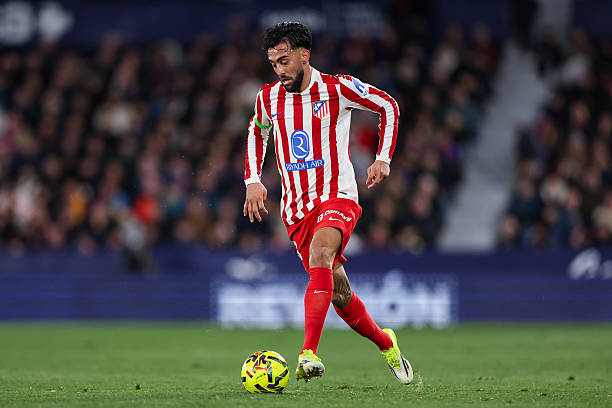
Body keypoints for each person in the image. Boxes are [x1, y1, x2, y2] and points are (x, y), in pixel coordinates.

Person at [243, 22, 413, 385]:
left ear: (304, 56)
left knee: (321, 254)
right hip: (296, 210)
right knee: (339, 293)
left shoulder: (338, 88)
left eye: (285, 61)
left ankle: (308, 353)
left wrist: (383, 157)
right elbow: (258, 131)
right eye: (273, 64)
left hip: (338, 196)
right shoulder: (267, 98)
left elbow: (388, 105)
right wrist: (253, 179)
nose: (279, 70)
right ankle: (386, 343)